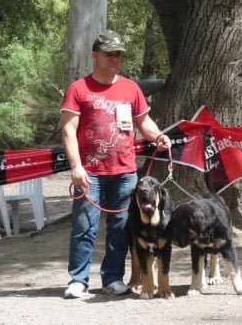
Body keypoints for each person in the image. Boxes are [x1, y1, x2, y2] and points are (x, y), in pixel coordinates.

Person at [61, 30, 171, 299]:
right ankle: (78, 280)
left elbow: (143, 123)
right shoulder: (78, 89)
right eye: (109, 54)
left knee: (121, 228)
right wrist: (76, 166)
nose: (115, 58)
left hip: (124, 172)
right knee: (84, 226)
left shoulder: (131, 88)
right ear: (95, 56)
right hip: (90, 173)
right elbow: (68, 130)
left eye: (118, 54)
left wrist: (158, 136)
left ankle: (112, 278)